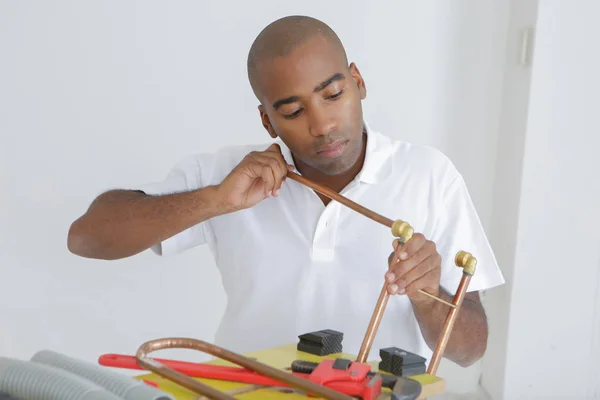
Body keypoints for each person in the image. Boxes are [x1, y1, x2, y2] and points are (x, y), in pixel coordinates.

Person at [67, 15, 504, 368]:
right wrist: (216, 200)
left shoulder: (429, 175)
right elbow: (87, 237)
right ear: (267, 122)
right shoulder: (228, 175)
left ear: (357, 82)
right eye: (293, 111)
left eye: (332, 94)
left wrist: (428, 297)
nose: (322, 125)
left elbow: (472, 350)